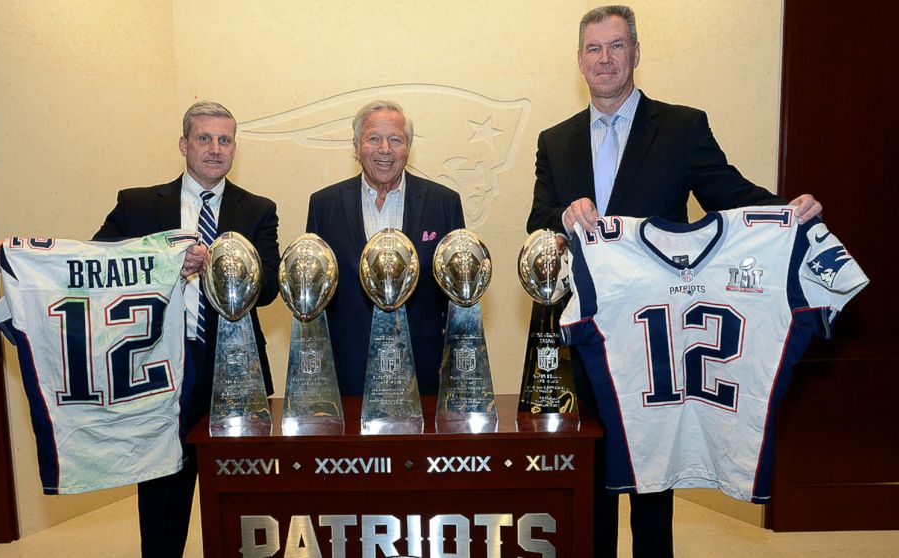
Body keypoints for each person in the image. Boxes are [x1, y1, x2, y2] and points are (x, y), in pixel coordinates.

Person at [526, 6, 822, 558]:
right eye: (594, 49)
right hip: (590, 330)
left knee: (650, 475)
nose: (605, 59)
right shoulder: (555, 140)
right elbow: (537, 220)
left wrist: (789, 211)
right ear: (580, 61)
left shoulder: (682, 126)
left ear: (636, 53)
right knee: (591, 463)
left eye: (616, 46)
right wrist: (565, 216)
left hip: (656, 333)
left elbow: (729, 194)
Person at [0, 100, 280, 558]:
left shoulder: (259, 209)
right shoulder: (139, 203)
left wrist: (219, 267)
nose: (215, 149)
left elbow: (266, 290)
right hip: (154, 369)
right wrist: (18, 262)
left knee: (245, 489)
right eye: (204, 138)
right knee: (164, 489)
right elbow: (88, 271)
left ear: (234, 149)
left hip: (235, 372)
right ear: (184, 144)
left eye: (225, 140)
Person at [306, 100, 465, 397]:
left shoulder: (444, 203)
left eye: (395, 139)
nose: (384, 149)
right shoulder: (324, 205)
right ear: (356, 146)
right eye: (373, 138)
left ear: (408, 148)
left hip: (423, 369)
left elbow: (457, 295)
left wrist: (454, 358)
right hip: (347, 371)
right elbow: (315, 298)